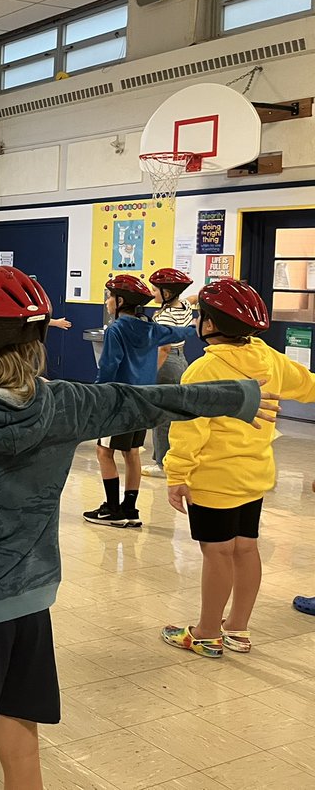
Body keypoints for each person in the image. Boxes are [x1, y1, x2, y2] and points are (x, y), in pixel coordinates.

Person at [0, 265, 276, 790]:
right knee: (21, 737)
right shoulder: (64, 403)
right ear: (35, 341)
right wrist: (236, 397)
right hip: (31, 604)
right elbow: (144, 401)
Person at [161, 280, 315, 657]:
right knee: (246, 548)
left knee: (217, 553)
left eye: (200, 316)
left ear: (210, 325)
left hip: (213, 479)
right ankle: (238, 629)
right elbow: (308, 386)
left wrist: (177, 475)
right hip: (254, 474)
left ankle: (206, 632)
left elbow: (189, 429)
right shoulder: (268, 358)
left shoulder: (203, 369)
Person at [83, 274, 195, 528]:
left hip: (119, 401)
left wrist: (96, 396)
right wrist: (198, 324)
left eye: (110, 297)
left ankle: (113, 509)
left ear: (120, 301)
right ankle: (130, 509)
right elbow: (181, 331)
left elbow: (109, 367)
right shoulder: (150, 327)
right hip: (143, 400)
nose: (108, 301)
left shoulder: (116, 330)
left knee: (104, 452)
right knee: (132, 453)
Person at [142, 267, 194, 478]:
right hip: (182, 359)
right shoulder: (184, 306)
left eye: (155, 290)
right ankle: (172, 459)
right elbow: (194, 297)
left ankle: (162, 464)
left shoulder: (165, 317)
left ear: (167, 293)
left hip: (167, 361)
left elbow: (163, 348)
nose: (152, 293)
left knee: (161, 414)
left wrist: (149, 373)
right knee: (174, 411)